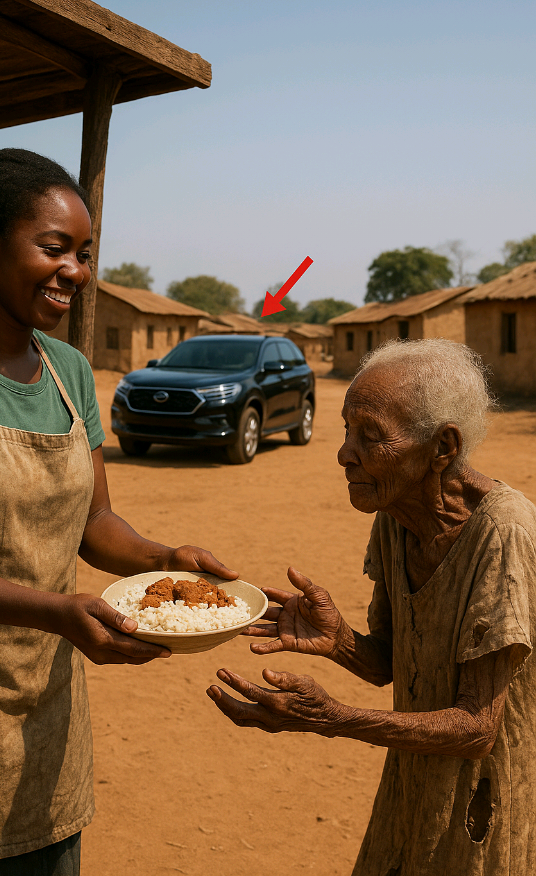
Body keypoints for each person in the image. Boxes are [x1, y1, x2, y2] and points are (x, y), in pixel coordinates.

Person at [0, 148, 236, 874]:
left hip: (45, 694)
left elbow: (95, 522)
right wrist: (60, 611)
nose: (74, 270)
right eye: (53, 248)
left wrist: (165, 559)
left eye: (84, 253)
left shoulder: (69, 370)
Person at [207, 338, 536, 875]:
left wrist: (331, 718)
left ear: (443, 448)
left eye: (371, 436)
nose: (344, 453)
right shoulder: (395, 512)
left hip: (482, 803)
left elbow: (478, 728)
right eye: (346, 429)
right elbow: (389, 663)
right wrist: (339, 641)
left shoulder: (503, 532)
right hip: (411, 789)